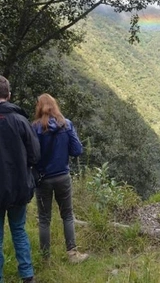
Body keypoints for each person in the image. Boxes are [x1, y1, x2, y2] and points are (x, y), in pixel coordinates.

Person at [32, 93, 89, 263]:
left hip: (43, 179)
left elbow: (31, 155)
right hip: (62, 177)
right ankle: (72, 254)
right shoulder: (66, 124)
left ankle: (45, 259)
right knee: (67, 215)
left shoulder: (34, 127)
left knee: (44, 219)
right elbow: (77, 150)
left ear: (39, 107)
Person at [0, 76, 40, 283]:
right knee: (18, 230)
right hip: (19, 187)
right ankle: (27, 275)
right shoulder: (21, 120)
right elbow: (35, 154)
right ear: (9, 95)